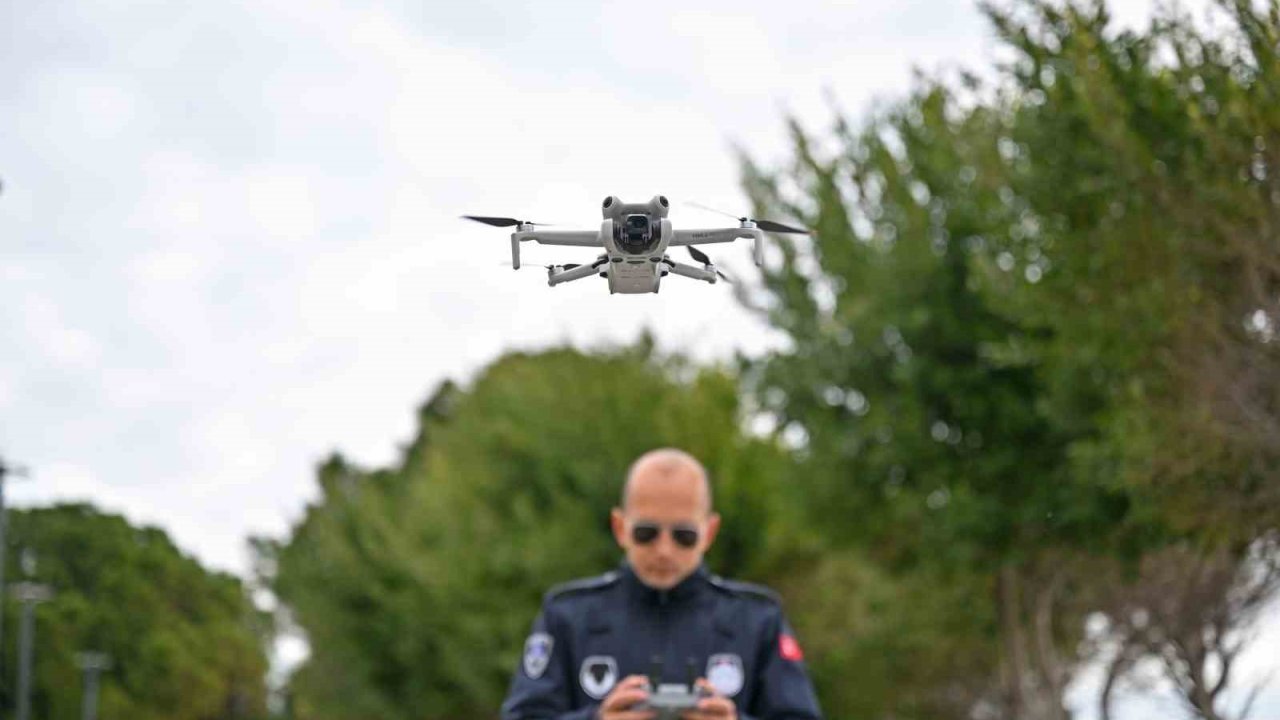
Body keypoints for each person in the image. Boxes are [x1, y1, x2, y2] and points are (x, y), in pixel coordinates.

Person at [501, 448, 823, 720]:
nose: (664, 550)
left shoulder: (756, 619)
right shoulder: (569, 616)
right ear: (620, 527)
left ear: (709, 533)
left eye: (684, 535)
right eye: (646, 533)